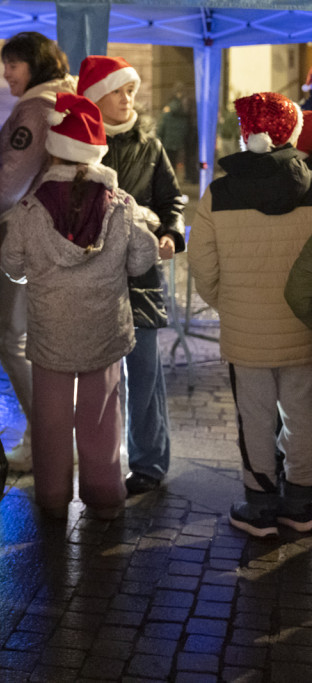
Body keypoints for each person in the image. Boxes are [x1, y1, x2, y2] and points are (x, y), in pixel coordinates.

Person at [0, 93, 159, 519]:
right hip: (104, 330)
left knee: (50, 418)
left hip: (51, 331)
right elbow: (143, 261)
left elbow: (12, 265)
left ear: (54, 150)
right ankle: (104, 495)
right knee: (101, 415)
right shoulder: (121, 206)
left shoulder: (29, 209)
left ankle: (51, 498)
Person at [188, 91, 312, 537]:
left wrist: (229, 302)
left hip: (245, 328)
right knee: (304, 413)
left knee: (254, 415)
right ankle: (302, 500)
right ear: (292, 132)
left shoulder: (219, 192)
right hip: (304, 325)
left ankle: (259, 504)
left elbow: (201, 263)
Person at [76, 56, 186, 495]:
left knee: (144, 369)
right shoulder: (77, 146)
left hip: (140, 276)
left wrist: (173, 235)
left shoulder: (150, 145)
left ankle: (149, 463)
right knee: (99, 377)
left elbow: (172, 200)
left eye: (131, 91)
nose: (129, 98)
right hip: (92, 279)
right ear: (97, 97)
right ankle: (101, 464)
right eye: (120, 90)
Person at [0, 31, 77, 472]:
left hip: (24, 236)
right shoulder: (63, 102)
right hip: (51, 236)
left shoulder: (36, 110)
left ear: (33, 65)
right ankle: (47, 437)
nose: (5, 74)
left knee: (8, 336)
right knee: (33, 338)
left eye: (13, 65)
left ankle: (50, 438)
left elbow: (9, 183)